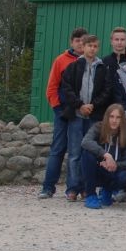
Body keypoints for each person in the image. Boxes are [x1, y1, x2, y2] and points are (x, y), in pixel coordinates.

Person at [59, 34, 113, 201]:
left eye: (95, 46)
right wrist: (80, 105)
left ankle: (86, 187)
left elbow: (107, 91)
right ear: (83, 47)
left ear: (98, 48)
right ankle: (72, 188)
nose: (92, 49)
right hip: (76, 115)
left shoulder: (103, 68)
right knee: (74, 153)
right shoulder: (73, 66)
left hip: (94, 115)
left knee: (90, 152)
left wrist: (93, 105)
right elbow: (66, 89)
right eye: (89, 45)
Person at [39, 26, 88, 199]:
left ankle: (75, 188)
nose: (80, 44)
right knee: (58, 148)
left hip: (81, 112)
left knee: (78, 150)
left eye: (83, 41)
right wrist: (58, 108)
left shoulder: (90, 61)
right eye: (77, 41)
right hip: (63, 111)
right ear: (71, 42)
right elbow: (52, 87)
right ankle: (48, 187)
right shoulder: (61, 60)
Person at [80, 103, 126, 209]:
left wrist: (115, 164)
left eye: (118, 117)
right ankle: (91, 195)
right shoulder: (98, 127)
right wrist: (106, 155)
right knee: (87, 154)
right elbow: (85, 142)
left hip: (114, 171)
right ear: (106, 117)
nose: (114, 120)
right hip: (98, 168)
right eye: (111, 116)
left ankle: (107, 191)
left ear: (122, 120)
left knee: (124, 175)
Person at [101, 26, 126, 102]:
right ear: (111, 41)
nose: (119, 42)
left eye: (122, 39)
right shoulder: (103, 62)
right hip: (105, 104)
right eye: (116, 39)